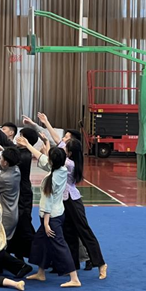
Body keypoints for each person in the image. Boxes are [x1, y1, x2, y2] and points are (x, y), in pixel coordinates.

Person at [35, 113, 108, 279]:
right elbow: (57, 141)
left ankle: (101, 263)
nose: (63, 144)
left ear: (70, 152)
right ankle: (72, 265)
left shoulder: (68, 164)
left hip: (72, 201)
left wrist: (44, 144)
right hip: (63, 201)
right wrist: (46, 122)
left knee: (84, 231)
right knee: (69, 233)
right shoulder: (70, 158)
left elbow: (50, 157)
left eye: (66, 144)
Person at [0, 107, 39, 262]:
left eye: (21, 136)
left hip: (23, 196)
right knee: (19, 228)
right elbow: (6, 143)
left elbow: (6, 144)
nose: (18, 138)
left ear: (27, 141)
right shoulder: (20, 151)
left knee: (24, 227)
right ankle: (18, 256)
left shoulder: (24, 156)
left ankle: (40, 256)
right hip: (18, 194)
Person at [26, 147, 82, 288]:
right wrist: (28, 145)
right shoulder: (62, 170)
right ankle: (41, 272)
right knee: (41, 242)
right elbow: (44, 159)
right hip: (58, 213)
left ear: (52, 161)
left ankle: (74, 278)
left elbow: (47, 202)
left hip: (51, 217)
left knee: (60, 245)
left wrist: (46, 223)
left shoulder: (51, 180)